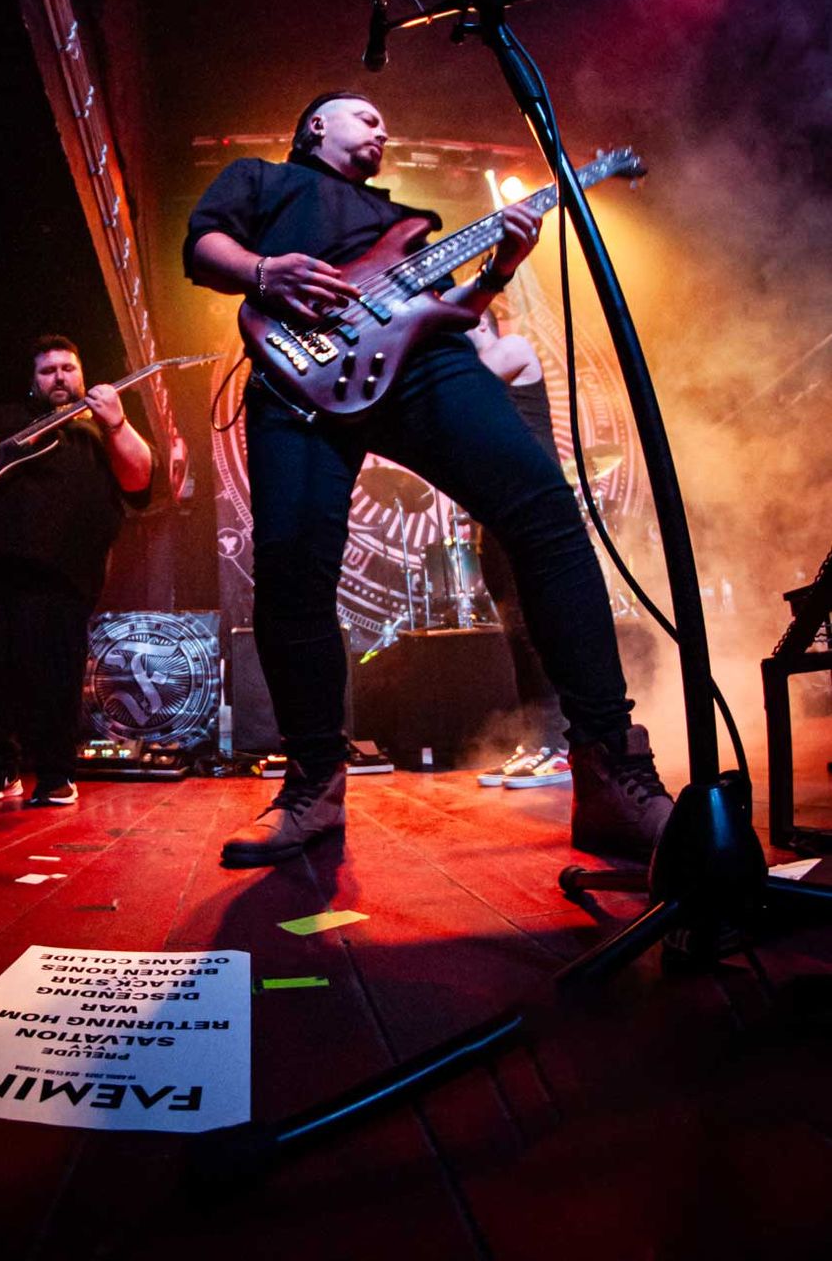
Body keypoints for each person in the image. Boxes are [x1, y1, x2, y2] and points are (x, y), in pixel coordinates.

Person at [185, 91, 672, 865]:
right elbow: (203, 246)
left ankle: (612, 771)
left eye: (383, 120)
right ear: (316, 126)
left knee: (545, 513)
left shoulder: (403, 221)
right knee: (290, 569)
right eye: (363, 116)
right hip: (295, 372)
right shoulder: (261, 179)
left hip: (421, 367)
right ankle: (313, 789)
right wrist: (263, 269)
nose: (381, 127)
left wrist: (501, 267)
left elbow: (453, 312)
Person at [0, 334, 153, 807]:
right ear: (33, 380)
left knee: (55, 675)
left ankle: (56, 774)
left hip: (61, 573)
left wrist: (117, 424)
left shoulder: (98, 430)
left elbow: (140, 479)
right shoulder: (3, 417)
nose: (59, 377)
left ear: (82, 374)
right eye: (47, 370)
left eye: (67, 368)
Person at [467, 308, 571, 789]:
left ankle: (561, 745)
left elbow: (469, 390)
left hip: (534, 510)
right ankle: (535, 742)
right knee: (517, 635)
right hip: (496, 518)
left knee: (538, 627)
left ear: (480, 324)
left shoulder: (511, 349)